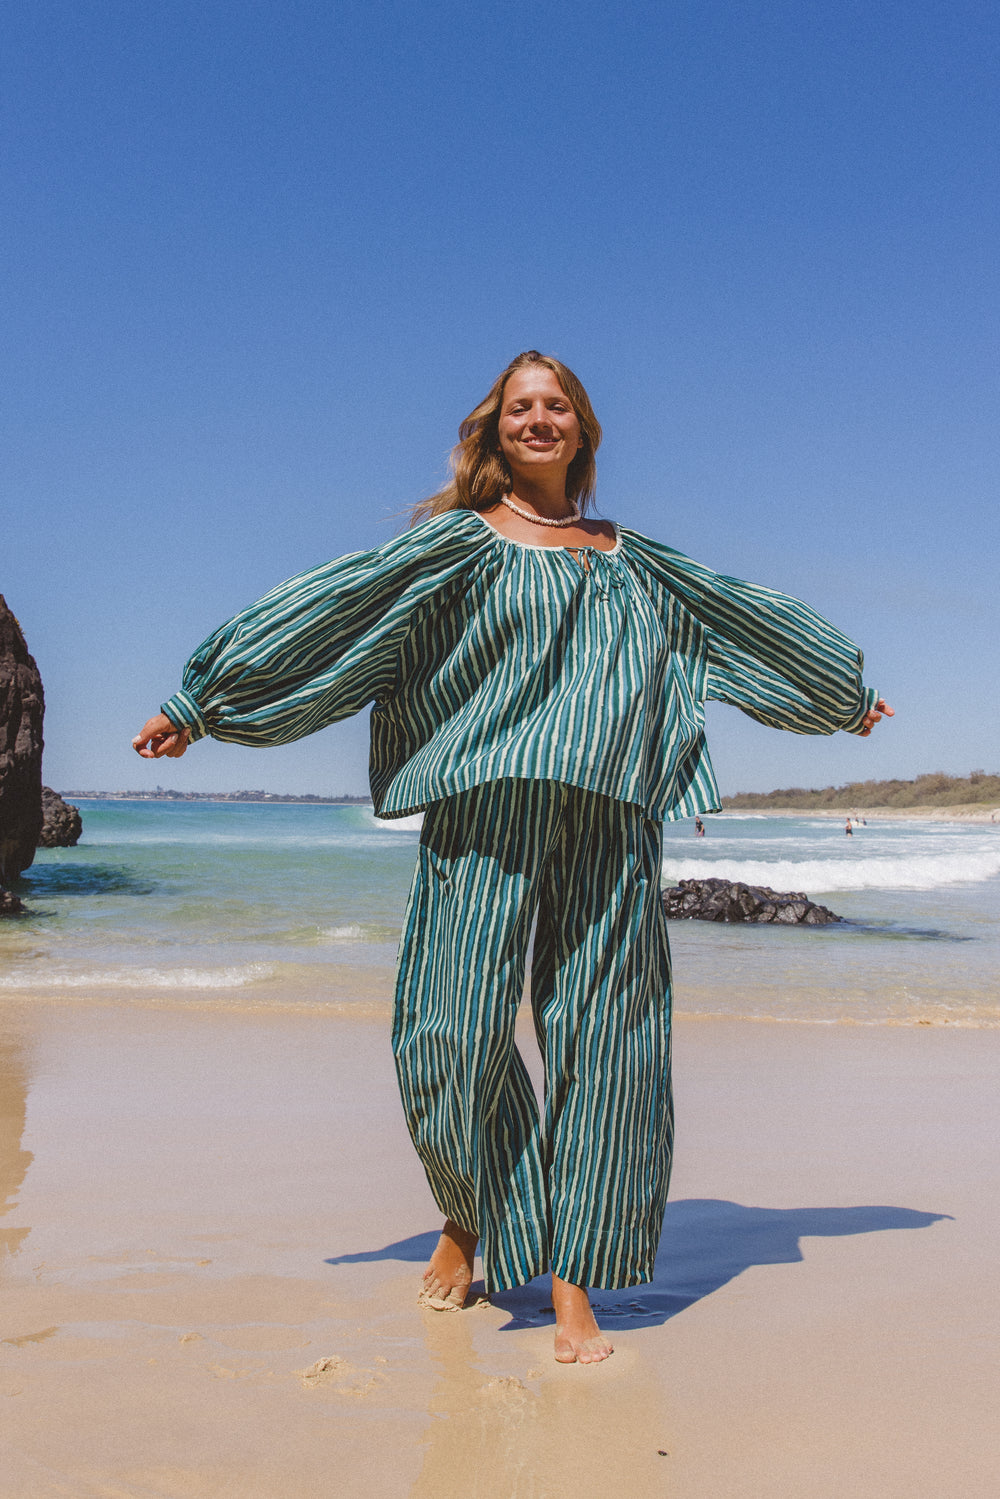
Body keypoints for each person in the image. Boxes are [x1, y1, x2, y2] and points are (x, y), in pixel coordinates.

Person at [132, 350, 893, 1365]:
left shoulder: (638, 560)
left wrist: (840, 698)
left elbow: (747, 621)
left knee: (607, 1044)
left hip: (611, 815)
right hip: (480, 816)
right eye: (520, 407)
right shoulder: (451, 547)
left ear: (582, 428)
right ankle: (470, 1210)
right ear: (494, 430)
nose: (539, 419)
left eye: (557, 406)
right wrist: (202, 701)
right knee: (446, 1030)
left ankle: (573, 1274)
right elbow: (329, 608)